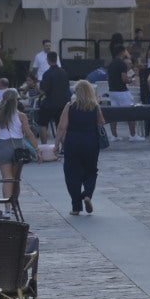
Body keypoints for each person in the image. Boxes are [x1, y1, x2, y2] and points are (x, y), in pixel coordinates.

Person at [57, 81, 106, 216]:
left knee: (72, 173)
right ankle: (87, 194)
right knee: (91, 171)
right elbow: (101, 122)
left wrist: (56, 145)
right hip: (91, 142)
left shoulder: (70, 106)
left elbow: (62, 126)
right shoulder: (95, 106)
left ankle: (76, 206)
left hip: (73, 141)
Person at [0, 88, 42, 212]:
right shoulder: (21, 116)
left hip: (3, 148)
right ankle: (14, 204)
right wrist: (37, 150)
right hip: (17, 148)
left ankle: (7, 209)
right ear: (16, 101)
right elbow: (29, 134)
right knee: (16, 179)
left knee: (7, 179)